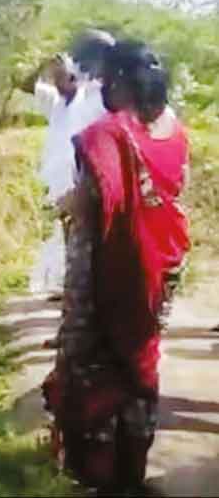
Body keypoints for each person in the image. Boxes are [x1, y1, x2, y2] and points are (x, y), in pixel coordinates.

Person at [42, 41, 190, 494]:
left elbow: (97, 203)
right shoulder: (176, 131)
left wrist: (67, 204)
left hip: (110, 268)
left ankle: (98, 475)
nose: (103, 87)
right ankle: (132, 471)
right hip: (159, 270)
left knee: (92, 365)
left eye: (107, 79)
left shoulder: (107, 134)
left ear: (122, 80)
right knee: (140, 363)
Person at [21, 31, 115, 302]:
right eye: (54, 77)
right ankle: (69, 288)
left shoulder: (92, 99)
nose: (56, 80)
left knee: (83, 236)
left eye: (61, 74)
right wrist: (44, 64)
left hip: (83, 179)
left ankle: (81, 292)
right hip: (59, 181)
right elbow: (27, 85)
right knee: (66, 234)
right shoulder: (56, 102)